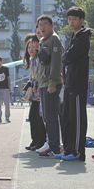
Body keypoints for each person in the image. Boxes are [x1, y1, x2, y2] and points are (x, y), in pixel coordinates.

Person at [61, 7, 91, 161]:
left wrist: (65, 56)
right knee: (68, 117)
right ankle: (68, 149)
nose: (71, 22)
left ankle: (78, 151)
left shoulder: (83, 37)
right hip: (69, 82)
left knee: (77, 118)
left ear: (81, 20)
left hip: (78, 83)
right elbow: (65, 57)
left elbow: (68, 56)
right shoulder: (73, 36)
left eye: (74, 19)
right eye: (69, 19)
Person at [34, 16, 64, 157]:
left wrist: (52, 82)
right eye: (40, 25)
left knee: (51, 116)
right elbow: (41, 64)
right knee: (46, 116)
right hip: (43, 83)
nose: (42, 27)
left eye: (45, 24)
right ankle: (50, 142)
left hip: (51, 83)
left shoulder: (54, 40)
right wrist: (37, 82)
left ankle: (54, 146)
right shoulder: (42, 41)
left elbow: (56, 63)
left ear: (52, 25)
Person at [24, 35, 46, 151]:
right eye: (29, 47)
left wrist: (35, 85)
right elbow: (32, 77)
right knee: (33, 117)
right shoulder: (32, 60)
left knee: (39, 118)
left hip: (40, 93)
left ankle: (40, 142)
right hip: (35, 95)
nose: (31, 49)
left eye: (33, 47)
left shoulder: (39, 59)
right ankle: (35, 141)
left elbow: (40, 74)